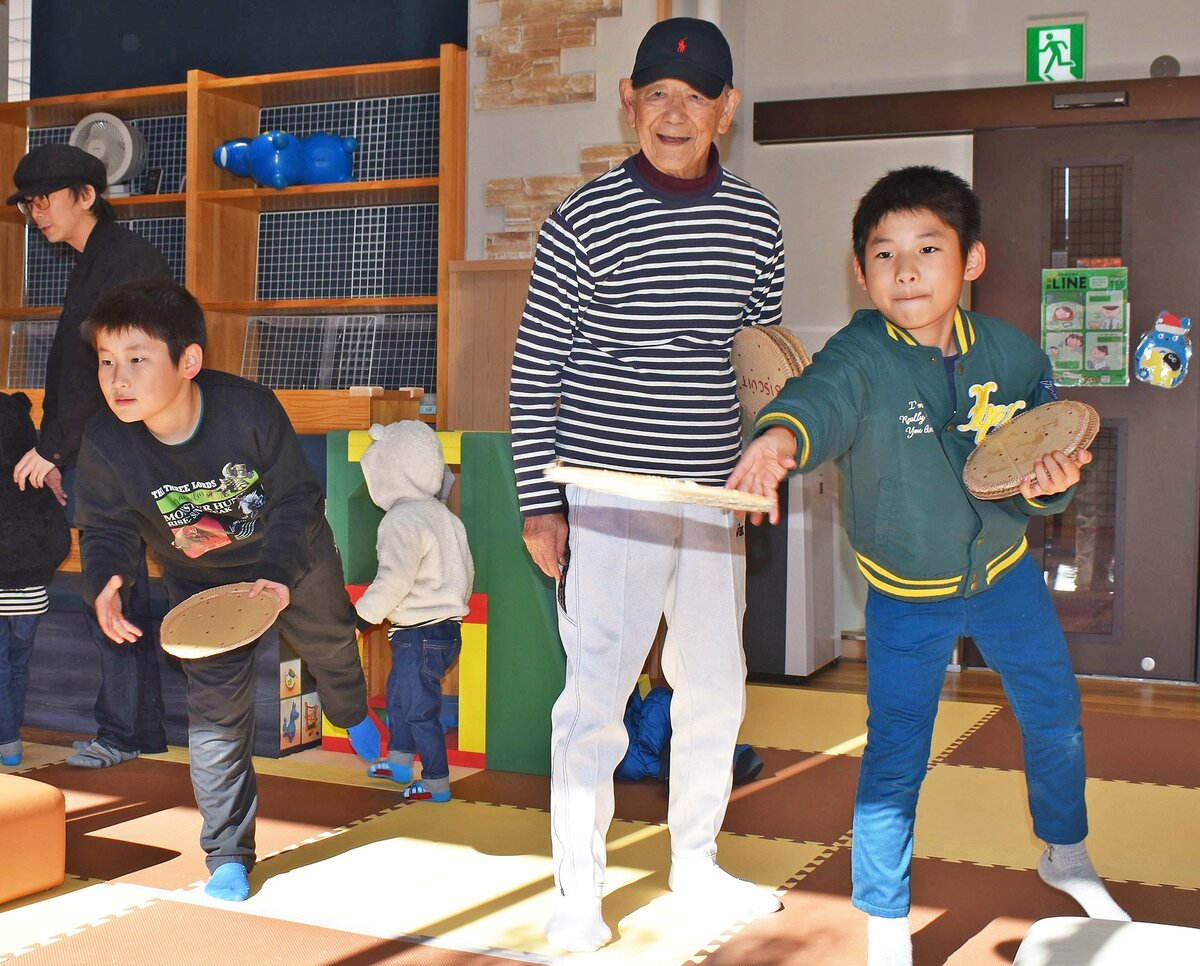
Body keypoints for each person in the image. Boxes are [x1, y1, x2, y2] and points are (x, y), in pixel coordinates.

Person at [727, 166, 1129, 966]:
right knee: (896, 750)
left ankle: (1064, 849)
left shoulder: (1014, 356)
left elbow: (1042, 468)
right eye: (883, 254)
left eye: (927, 248)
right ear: (859, 270)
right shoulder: (860, 354)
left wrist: (1053, 491)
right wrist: (775, 442)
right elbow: (818, 402)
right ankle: (883, 917)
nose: (904, 270)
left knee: (1054, 715)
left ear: (971, 260)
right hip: (907, 597)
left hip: (1007, 576)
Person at [509, 17, 785, 952]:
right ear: (629, 102)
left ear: (726, 110)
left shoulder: (756, 220)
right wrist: (536, 502)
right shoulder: (580, 217)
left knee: (715, 686)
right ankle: (575, 894)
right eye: (656, 95)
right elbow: (535, 364)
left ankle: (696, 866)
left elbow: (763, 362)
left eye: (695, 96)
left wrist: (772, 454)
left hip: (711, 493)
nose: (674, 112)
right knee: (593, 696)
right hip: (606, 485)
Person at [73, 278, 382, 902]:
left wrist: (276, 574)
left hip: (292, 557)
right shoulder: (106, 442)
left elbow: (297, 497)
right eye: (107, 362)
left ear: (188, 362)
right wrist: (105, 583)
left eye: (137, 359)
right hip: (202, 583)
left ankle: (352, 716)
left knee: (328, 650)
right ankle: (226, 854)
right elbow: (107, 529)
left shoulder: (247, 409)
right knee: (216, 715)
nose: (118, 378)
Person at [6, 142, 172, 769]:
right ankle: (134, 730)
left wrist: (52, 449)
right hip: (108, 447)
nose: (35, 212)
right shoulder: (97, 259)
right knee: (118, 582)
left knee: (111, 581)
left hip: (121, 449)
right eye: (28, 204)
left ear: (86, 195)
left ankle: (124, 732)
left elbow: (106, 374)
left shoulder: (123, 262)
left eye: (43, 200)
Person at [353, 419, 474, 803]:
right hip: (445, 631)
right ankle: (401, 760)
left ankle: (437, 781)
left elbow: (393, 579)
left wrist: (361, 618)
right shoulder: (444, 517)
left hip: (419, 633)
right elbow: (465, 570)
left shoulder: (401, 520)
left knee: (420, 709)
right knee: (400, 695)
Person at [0, 391, 71, 767]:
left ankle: (8, 744)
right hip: (31, 593)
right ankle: (11, 744)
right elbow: (59, 540)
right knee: (18, 665)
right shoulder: (37, 473)